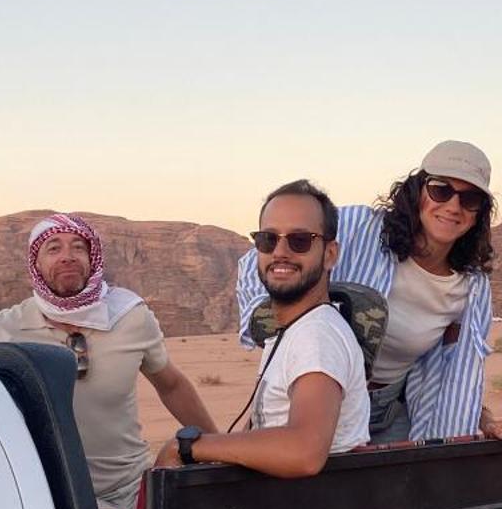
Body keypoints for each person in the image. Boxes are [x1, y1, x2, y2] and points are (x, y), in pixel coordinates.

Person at [234, 141, 502, 456]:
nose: (453, 206)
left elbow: (456, 367)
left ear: (479, 212)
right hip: (317, 403)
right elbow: (260, 258)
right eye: (441, 190)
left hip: (393, 411)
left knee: (395, 496)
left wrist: (483, 418)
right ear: (417, 191)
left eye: (469, 199)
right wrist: (279, 324)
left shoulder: (472, 286)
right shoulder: (359, 227)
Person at [0, 213, 217, 509]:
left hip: (136, 484)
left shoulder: (130, 317)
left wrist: (218, 447)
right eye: (53, 248)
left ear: (92, 257)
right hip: (62, 492)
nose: (68, 257)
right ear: (36, 264)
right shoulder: (6, 330)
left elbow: (171, 384)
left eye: (78, 248)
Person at [153, 179, 369, 478]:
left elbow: (305, 451)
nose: (280, 251)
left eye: (300, 240)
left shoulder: (317, 337)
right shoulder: (294, 331)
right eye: (268, 239)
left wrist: (189, 447)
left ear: (330, 254)